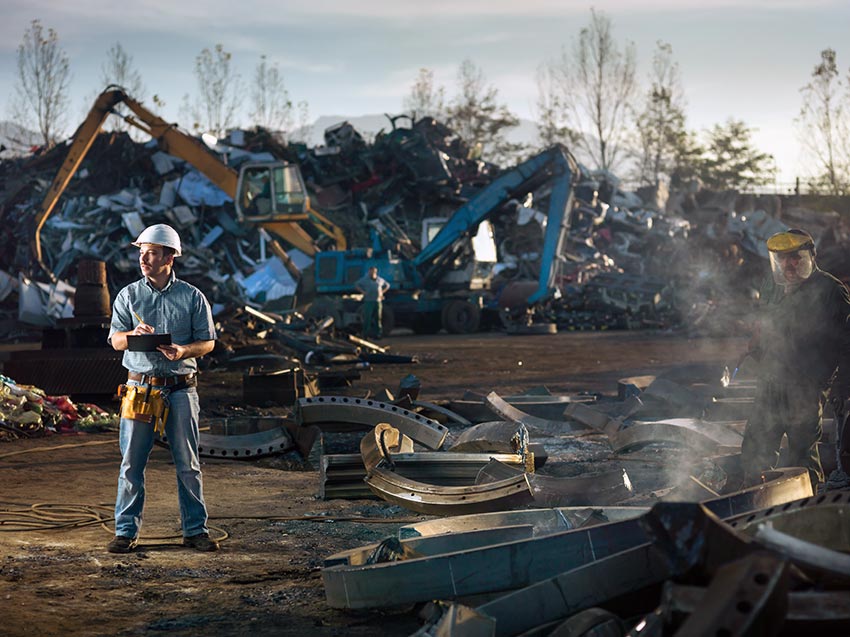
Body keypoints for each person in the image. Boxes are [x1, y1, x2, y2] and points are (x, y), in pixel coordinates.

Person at [106, 224, 218, 553]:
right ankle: (125, 532)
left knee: (188, 464)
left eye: (152, 253)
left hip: (181, 389)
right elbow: (115, 341)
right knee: (131, 464)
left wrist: (183, 351)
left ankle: (195, 530)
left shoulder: (192, 297)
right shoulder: (129, 296)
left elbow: (208, 342)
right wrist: (134, 335)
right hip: (140, 389)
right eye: (141, 253)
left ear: (170, 258)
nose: (144, 259)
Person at [741, 228, 850, 490]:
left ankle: (809, 507)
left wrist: (843, 384)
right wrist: (756, 347)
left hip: (807, 387)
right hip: (770, 382)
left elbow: (848, 343)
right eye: (783, 258)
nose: (789, 264)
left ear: (812, 256)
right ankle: (756, 505)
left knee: (802, 453)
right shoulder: (771, 287)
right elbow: (765, 325)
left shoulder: (831, 291)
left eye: (795, 257)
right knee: (755, 448)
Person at [355, 266, 390, 339]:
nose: (373, 273)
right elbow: (357, 284)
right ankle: (365, 334)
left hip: (378, 301)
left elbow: (387, 285)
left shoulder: (379, 280)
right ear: (369, 272)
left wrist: (382, 293)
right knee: (367, 318)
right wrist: (363, 292)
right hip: (368, 301)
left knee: (378, 318)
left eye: (374, 271)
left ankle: (378, 334)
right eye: (371, 271)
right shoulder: (365, 280)